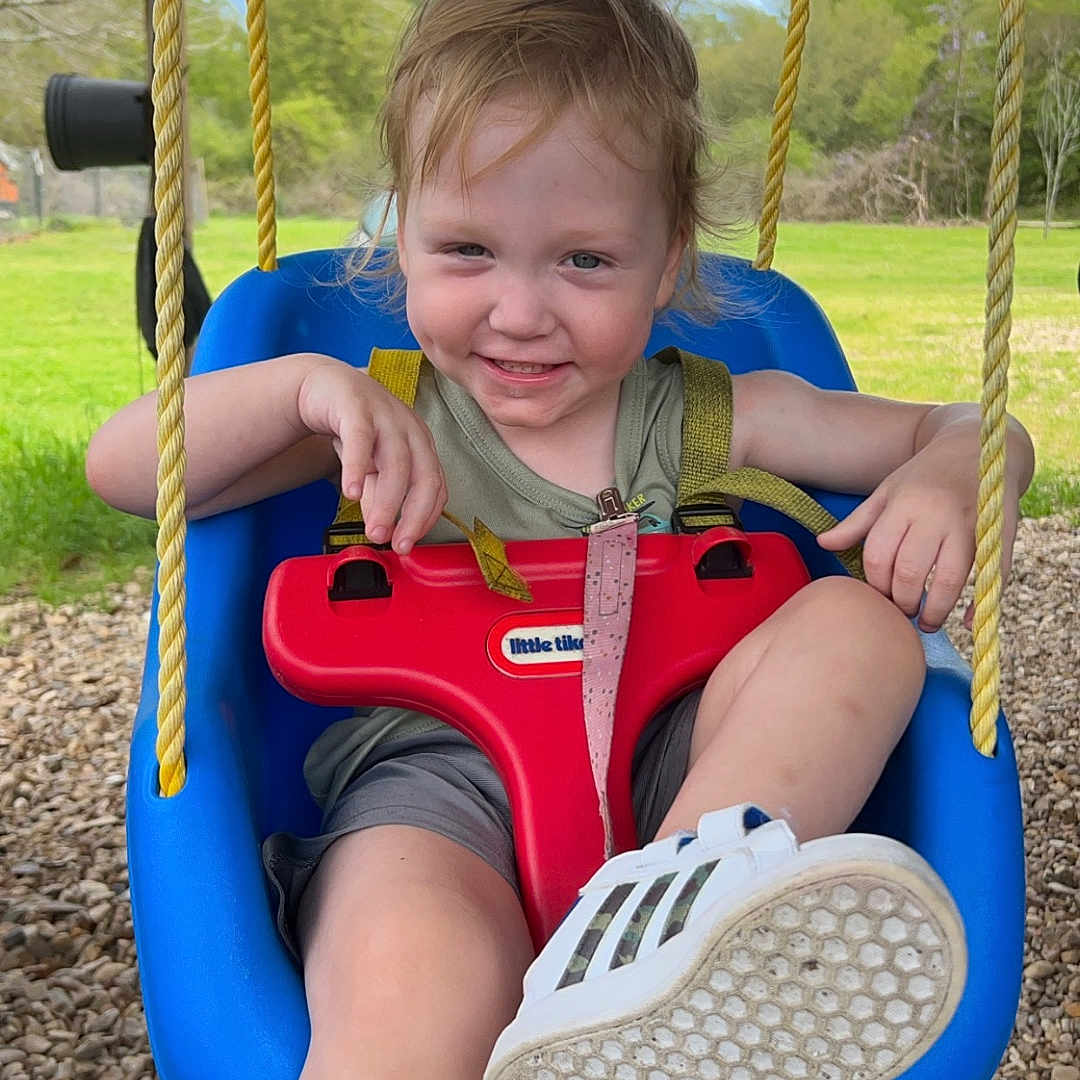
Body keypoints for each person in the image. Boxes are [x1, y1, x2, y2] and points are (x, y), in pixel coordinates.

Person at [85, 1, 1035, 1077]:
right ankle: (589, 995)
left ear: (667, 261)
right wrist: (308, 390)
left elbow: (968, 425)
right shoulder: (380, 414)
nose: (521, 311)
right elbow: (126, 469)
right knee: (409, 978)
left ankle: (669, 938)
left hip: (694, 781)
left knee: (861, 624)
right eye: (467, 250)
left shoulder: (709, 415)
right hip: (436, 794)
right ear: (400, 241)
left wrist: (956, 474)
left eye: (584, 260)